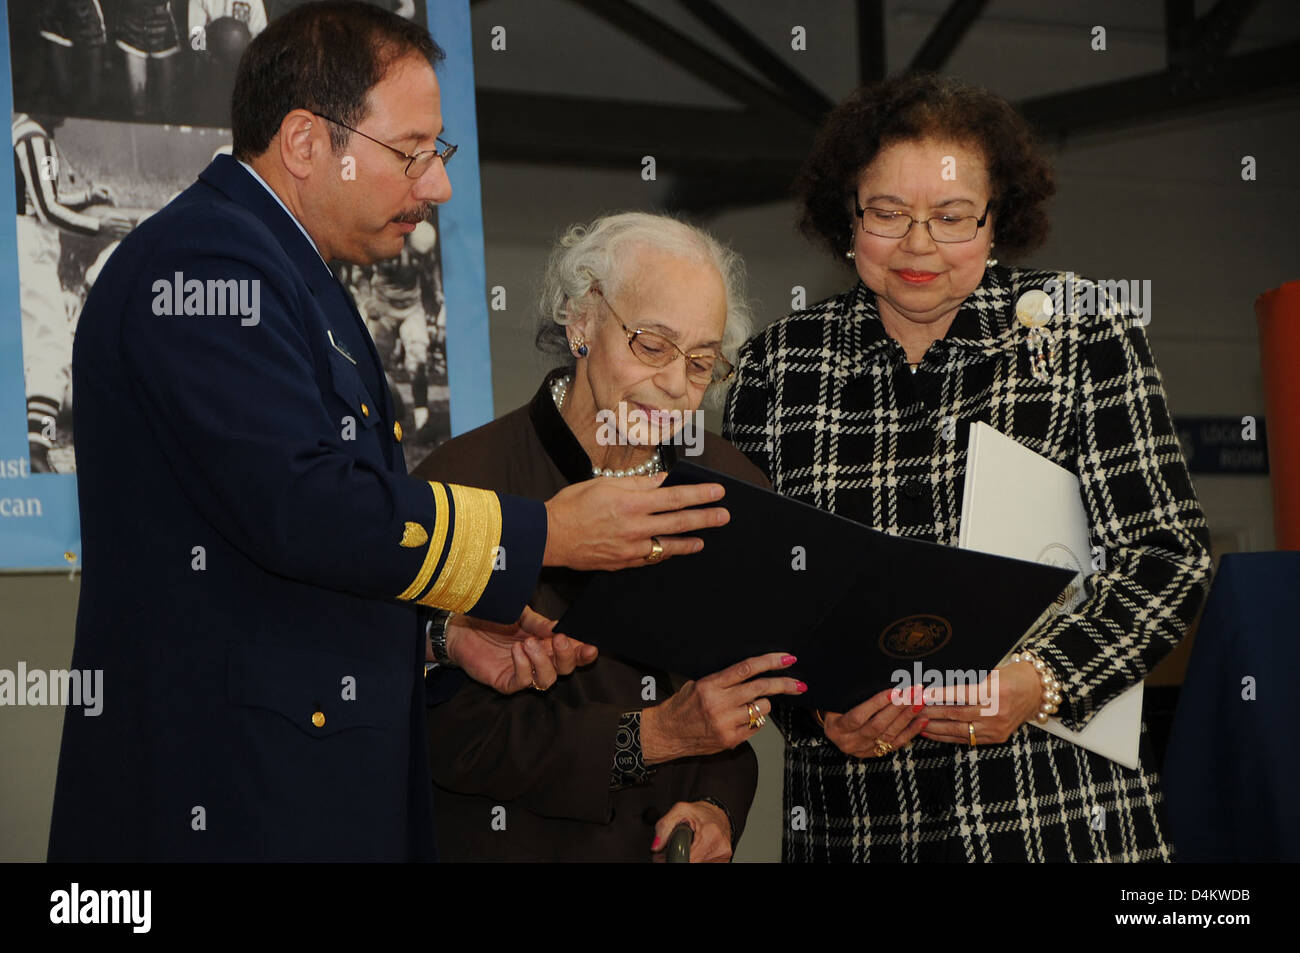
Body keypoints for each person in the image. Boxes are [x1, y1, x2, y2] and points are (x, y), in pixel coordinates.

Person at [48, 1, 727, 862]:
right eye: (412, 153)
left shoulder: (293, 276)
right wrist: (549, 530)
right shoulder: (208, 265)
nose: (437, 186)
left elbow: (286, 570)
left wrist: (443, 633)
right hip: (225, 795)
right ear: (304, 142)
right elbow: (301, 506)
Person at [722, 73, 1213, 863]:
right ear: (845, 217)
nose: (919, 245)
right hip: (859, 823)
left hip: (1062, 812)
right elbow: (748, 595)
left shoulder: (1083, 333)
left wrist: (1044, 680)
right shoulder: (777, 366)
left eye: (951, 217)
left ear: (997, 221)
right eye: (887, 214)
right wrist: (813, 712)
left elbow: (1169, 557)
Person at [415, 213, 805, 862]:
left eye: (702, 362)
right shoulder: (467, 486)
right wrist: (644, 737)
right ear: (582, 320)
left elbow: (728, 705)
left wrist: (715, 803)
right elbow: (446, 734)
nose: (677, 386)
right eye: (652, 345)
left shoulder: (731, 487)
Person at [12, 112, 133, 473]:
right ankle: (38, 447)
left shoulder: (31, 134)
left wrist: (87, 195)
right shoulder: (33, 137)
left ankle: (36, 445)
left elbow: (47, 195)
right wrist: (99, 224)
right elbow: (47, 210)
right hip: (28, 244)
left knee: (33, 350)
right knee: (51, 349)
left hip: (27, 241)